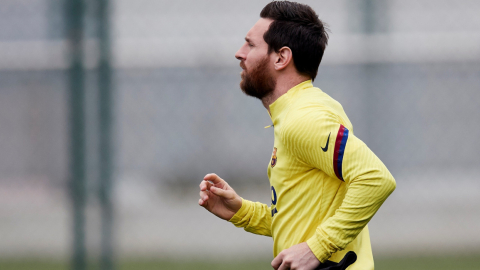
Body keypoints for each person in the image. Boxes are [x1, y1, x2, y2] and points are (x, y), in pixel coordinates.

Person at [198, 1, 396, 269]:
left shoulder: (303, 118)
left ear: (281, 57)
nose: (239, 53)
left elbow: (376, 179)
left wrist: (318, 248)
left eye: (251, 45)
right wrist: (241, 212)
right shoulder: (298, 112)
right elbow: (304, 218)